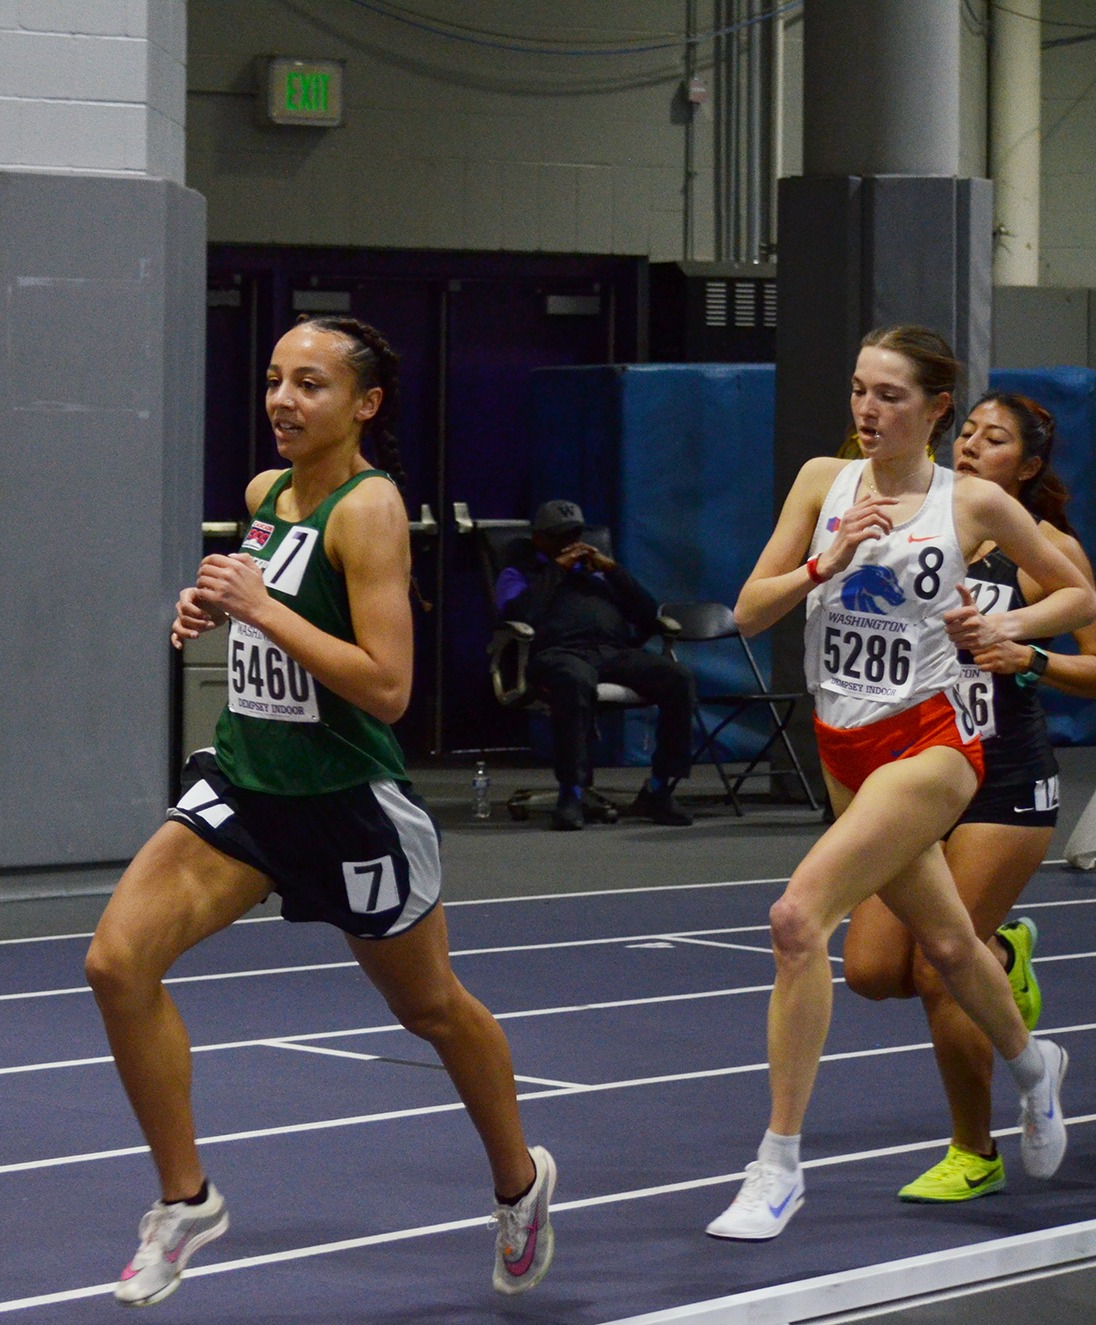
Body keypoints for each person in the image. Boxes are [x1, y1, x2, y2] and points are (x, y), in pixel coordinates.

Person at [84, 316, 557, 1308]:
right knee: (116, 961)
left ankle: (517, 1179)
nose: (282, 402)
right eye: (272, 381)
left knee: (429, 1007)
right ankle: (185, 1200)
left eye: (310, 384)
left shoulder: (369, 507)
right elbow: (273, 611)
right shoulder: (266, 494)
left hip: (345, 802)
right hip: (251, 783)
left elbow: (386, 686)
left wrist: (260, 609)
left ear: (364, 403)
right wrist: (210, 605)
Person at [710, 325, 1093, 1241]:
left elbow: (1078, 593)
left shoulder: (977, 505)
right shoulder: (821, 482)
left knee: (799, 919)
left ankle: (778, 1165)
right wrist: (825, 562)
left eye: (888, 395)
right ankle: (1035, 1064)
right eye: (857, 390)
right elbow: (747, 611)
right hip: (842, 745)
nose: (867, 410)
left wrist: (1014, 635)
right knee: (952, 950)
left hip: (931, 745)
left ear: (935, 410)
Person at [843, 392, 1096, 1202]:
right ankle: (1001, 955)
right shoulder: (916, 522)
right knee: (873, 968)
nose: (972, 448)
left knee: (934, 970)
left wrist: (1028, 658)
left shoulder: (1044, 548)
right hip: (915, 770)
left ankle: (973, 1149)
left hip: (1005, 777)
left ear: (1025, 468)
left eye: (995, 441)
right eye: (969, 433)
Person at [495, 499, 696, 830]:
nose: (570, 542)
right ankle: (571, 794)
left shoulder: (598, 575)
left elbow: (648, 613)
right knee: (574, 682)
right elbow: (518, 616)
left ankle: (660, 789)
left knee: (678, 678)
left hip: (611, 651)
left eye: (574, 534)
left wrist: (612, 570)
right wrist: (556, 569)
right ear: (539, 539)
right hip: (558, 653)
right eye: (560, 536)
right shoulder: (518, 572)